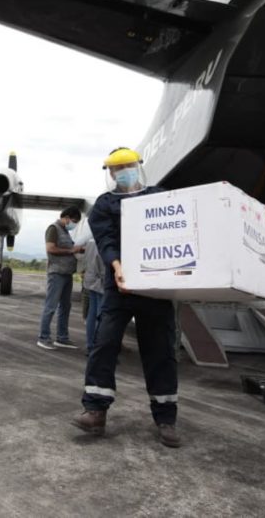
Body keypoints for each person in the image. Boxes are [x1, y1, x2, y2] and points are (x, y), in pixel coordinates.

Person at [72, 148, 181, 447]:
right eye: (117, 169)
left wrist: (253, 216)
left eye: (128, 166)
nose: (123, 173)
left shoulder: (160, 196)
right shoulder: (104, 205)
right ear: (110, 174)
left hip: (155, 287)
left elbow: (193, 217)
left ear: (138, 166)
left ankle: (166, 419)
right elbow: (106, 240)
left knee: (161, 350)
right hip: (118, 284)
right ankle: (95, 411)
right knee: (104, 343)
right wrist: (118, 267)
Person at [36, 206, 84, 350]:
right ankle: (43, 337)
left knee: (65, 306)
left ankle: (62, 338)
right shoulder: (53, 229)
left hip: (67, 274)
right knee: (50, 306)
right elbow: (50, 248)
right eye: (74, 221)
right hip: (57, 273)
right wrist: (71, 250)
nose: (74, 224)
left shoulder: (65, 231)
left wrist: (79, 250)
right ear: (67, 217)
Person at [80, 239, 106, 355]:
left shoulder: (90, 242)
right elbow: (102, 266)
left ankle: (90, 346)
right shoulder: (104, 241)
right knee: (101, 316)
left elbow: (85, 261)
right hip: (101, 282)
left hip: (90, 280)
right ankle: (98, 348)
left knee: (92, 314)